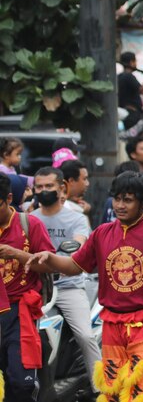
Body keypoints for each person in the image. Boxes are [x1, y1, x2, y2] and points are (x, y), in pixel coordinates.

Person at [26, 171, 143, 402]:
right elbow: (75, 265)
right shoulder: (102, 233)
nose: (120, 205)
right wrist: (49, 258)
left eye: (128, 200)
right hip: (112, 323)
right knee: (114, 389)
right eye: (117, 199)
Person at [29, 167, 101, 393]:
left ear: (61, 188)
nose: (43, 191)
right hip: (36, 288)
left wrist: (67, 258)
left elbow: (79, 245)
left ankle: (102, 389)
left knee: (85, 335)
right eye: (39, 187)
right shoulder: (28, 219)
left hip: (68, 287)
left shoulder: (76, 218)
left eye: (48, 186)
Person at [0, 172, 55, 402]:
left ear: (9, 199)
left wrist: (18, 254)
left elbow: (49, 265)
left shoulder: (29, 224)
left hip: (18, 313)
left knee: (21, 384)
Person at [118, 51, 143, 130]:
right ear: (131, 62)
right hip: (132, 114)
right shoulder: (128, 76)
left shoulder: (119, 77)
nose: (136, 64)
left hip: (125, 114)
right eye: (135, 61)